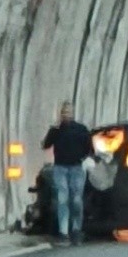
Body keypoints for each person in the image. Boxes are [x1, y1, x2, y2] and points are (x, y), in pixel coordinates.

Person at [41, 101, 93, 245]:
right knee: (62, 199)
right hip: (60, 168)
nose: (65, 115)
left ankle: (76, 230)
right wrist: (52, 132)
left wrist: (85, 159)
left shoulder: (81, 129)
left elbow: (89, 148)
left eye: (68, 112)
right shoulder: (56, 130)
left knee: (76, 200)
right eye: (63, 113)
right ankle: (63, 233)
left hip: (77, 168)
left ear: (72, 113)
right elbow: (46, 145)